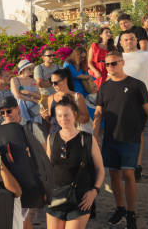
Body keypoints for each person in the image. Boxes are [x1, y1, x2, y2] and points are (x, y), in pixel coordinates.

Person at [93, 50, 148, 229]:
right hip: (111, 138)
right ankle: (120, 208)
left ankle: (131, 212)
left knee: (128, 174)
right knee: (114, 175)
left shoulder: (137, 85)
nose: (110, 67)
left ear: (122, 62)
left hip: (131, 137)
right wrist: (94, 136)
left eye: (113, 63)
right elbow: (99, 113)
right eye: (106, 64)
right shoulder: (104, 87)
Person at [46, 96, 104, 229]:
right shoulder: (52, 138)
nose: (62, 119)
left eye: (66, 115)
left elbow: (100, 169)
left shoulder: (87, 139)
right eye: (59, 116)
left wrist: (94, 191)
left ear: (75, 114)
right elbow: (47, 169)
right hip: (56, 198)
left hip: (81, 199)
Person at [119, 29, 148, 180]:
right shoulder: (117, 58)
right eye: (125, 39)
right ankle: (126, 163)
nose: (129, 42)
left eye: (131, 39)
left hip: (141, 100)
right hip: (120, 101)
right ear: (120, 43)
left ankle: (136, 166)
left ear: (136, 40)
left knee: (137, 133)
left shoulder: (147, 55)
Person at [0, 95, 38, 228]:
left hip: (26, 180)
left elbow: (42, 155)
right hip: (5, 180)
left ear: (17, 109)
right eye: (2, 112)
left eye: (9, 111)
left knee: (23, 219)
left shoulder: (30, 127)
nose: (5, 115)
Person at [41, 69, 91, 134]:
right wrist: (46, 117)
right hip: (55, 134)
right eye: (51, 82)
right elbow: (52, 121)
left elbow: (86, 118)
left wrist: (72, 116)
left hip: (72, 134)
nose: (53, 85)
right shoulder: (50, 98)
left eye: (55, 83)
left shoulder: (77, 96)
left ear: (64, 80)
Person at [10, 59, 43, 130]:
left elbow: (39, 96)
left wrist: (29, 92)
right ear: (23, 69)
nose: (31, 70)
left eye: (31, 68)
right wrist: (31, 99)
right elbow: (17, 95)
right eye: (29, 68)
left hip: (33, 109)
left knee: (37, 130)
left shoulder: (33, 81)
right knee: (24, 129)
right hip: (21, 109)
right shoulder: (14, 80)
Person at [88, 26, 115, 91]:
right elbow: (89, 62)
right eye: (106, 32)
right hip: (96, 72)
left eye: (109, 32)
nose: (109, 34)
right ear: (100, 35)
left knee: (106, 91)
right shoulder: (94, 45)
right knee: (95, 91)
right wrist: (95, 71)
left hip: (107, 72)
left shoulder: (113, 48)